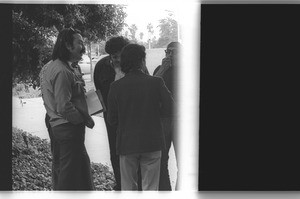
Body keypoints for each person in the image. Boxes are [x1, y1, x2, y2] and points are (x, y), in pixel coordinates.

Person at [107, 44, 174, 190]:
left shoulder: (116, 87)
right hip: (152, 142)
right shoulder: (156, 82)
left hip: (127, 143)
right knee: (151, 187)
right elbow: (171, 108)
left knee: (128, 188)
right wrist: (155, 114)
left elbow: (111, 119)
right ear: (142, 61)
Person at [40, 27, 94, 190]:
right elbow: (63, 106)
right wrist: (81, 119)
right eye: (79, 43)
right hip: (67, 127)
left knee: (73, 168)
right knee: (69, 174)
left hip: (64, 127)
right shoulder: (61, 70)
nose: (83, 47)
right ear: (68, 45)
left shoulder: (63, 66)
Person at [93, 36, 147, 190]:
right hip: (112, 119)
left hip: (134, 119)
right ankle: (121, 186)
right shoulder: (101, 66)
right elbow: (99, 92)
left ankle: (139, 188)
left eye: (118, 55)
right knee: (116, 152)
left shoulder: (137, 66)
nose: (115, 59)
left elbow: (146, 87)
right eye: (112, 56)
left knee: (136, 154)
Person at [153, 41, 181, 190]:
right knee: (161, 160)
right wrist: (163, 69)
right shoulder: (160, 69)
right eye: (167, 52)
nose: (170, 55)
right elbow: (150, 88)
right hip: (163, 119)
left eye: (174, 51)